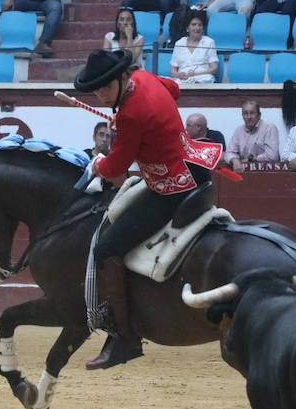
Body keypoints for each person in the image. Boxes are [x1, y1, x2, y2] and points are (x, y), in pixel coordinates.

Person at [73, 48, 219, 370]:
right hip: (196, 167)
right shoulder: (144, 77)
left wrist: (98, 163)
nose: (100, 95)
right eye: (95, 90)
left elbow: (118, 165)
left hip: (170, 187)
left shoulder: (129, 114)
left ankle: (124, 337)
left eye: (105, 88)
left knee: (107, 247)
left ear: (123, 77)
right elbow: (175, 89)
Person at [224, 100, 279, 172]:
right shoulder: (239, 131)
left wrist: (253, 159)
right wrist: (234, 160)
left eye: (252, 113)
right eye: (245, 113)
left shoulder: (269, 128)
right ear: (242, 116)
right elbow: (229, 153)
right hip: (244, 172)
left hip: (267, 172)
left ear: (259, 115)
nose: (249, 117)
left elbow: (272, 156)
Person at [170, 9, 218, 84]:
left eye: (200, 25)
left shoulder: (209, 42)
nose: (197, 28)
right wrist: (178, 75)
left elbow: (214, 69)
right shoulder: (179, 43)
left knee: (206, 79)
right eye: (194, 24)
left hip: (202, 77)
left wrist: (193, 75)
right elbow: (173, 70)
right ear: (187, 28)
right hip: (182, 78)